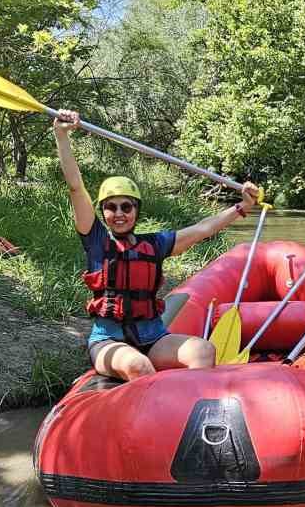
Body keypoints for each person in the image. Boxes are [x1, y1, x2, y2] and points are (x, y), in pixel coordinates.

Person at [54, 110, 260, 381]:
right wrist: (62, 135)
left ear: (136, 211)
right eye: (111, 207)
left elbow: (203, 229)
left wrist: (242, 207)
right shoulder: (97, 241)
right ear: (102, 212)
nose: (119, 213)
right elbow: (76, 188)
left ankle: (189, 409)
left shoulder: (156, 244)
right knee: (138, 366)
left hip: (153, 337)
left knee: (203, 350)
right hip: (109, 342)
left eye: (126, 206)